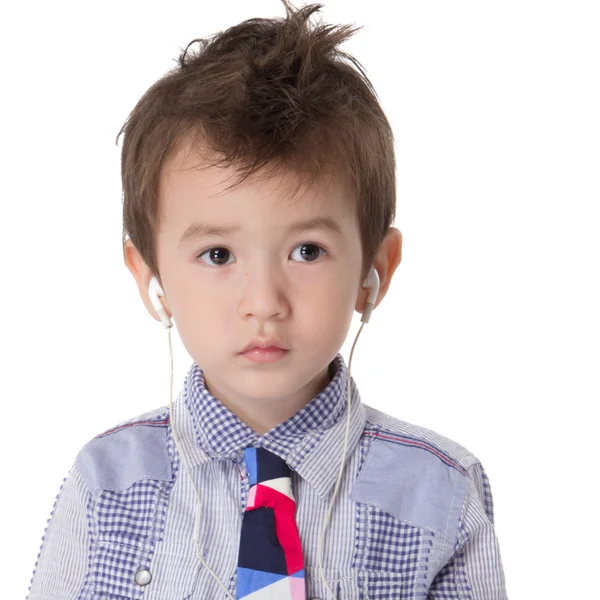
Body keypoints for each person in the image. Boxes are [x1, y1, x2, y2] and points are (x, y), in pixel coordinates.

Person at [26, 1, 508, 598]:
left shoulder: (438, 492)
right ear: (150, 276)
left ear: (373, 270)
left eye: (306, 251)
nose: (263, 302)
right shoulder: (105, 483)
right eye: (218, 256)